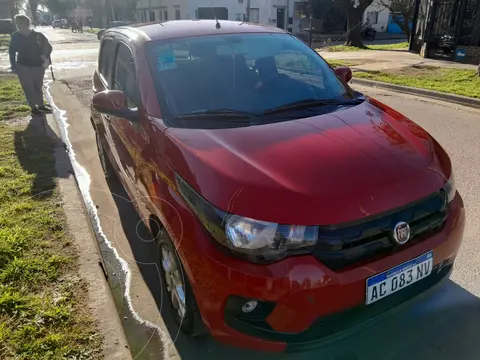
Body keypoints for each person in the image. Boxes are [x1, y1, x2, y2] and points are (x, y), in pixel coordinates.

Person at [9, 14, 53, 115]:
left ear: (27, 23)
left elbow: (48, 48)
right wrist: (13, 66)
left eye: (21, 22)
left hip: (38, 66)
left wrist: (45, 58)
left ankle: (41, 105)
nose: (18, 25)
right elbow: (11, 52)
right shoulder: (16, 36)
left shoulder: (37, 35)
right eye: (17, 23)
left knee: (38, 86)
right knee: (28, 88)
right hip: (23, 66)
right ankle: (33, 108)